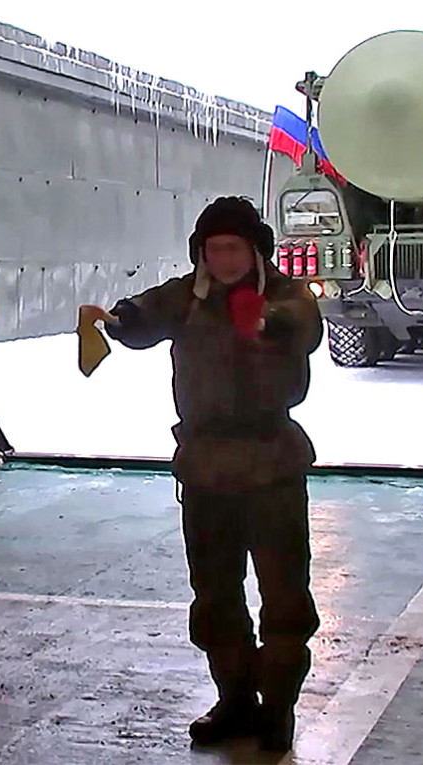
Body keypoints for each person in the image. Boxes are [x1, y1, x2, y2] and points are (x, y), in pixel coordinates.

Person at [82, 196, 323, 752]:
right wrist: (119, 319)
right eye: (214, 249)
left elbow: (303, 324)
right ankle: (235, 700)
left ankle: (277, 707)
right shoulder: (187, 297)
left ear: (254, 250)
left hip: (271, 464)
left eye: (234, 248)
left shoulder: (287, 294)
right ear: (201, 253)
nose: (224, 259)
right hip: (206, 466)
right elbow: (144, 316)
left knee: (285, 596)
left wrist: (264, 320)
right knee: (214, 595)